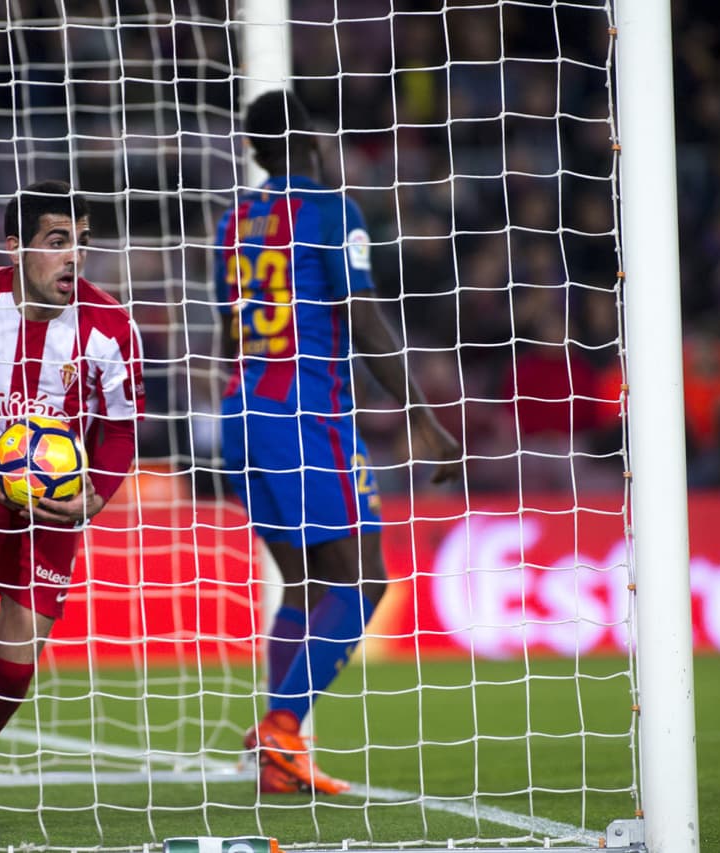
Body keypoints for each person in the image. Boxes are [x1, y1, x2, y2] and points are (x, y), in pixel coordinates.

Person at [213, 90, 462, 795]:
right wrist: (421, 413)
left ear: (256, 152)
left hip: (242, 414)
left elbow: (226, 334)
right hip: (306, 413)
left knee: (306, 581)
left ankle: (277, 760)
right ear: (311, 140)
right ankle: (282, 728)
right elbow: (363, 318)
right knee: (365, 579)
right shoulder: (328, 210)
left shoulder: (233, 221)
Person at [0, 180, 144, 832]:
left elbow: (122, 428)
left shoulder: (110, 325)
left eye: (83, 244)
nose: (75, 258)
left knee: (14, 664)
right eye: (58, 242)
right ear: (16, 247)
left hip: (55, 504)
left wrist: (99, 491)